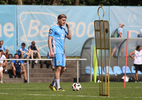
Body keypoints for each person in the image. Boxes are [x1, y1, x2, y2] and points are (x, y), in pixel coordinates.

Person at [48, 14, 71, 91]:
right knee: (58, 68)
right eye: (63, 20)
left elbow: (70, 37)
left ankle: (53, 84)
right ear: (58, 19)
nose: (64, 22)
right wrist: (51, 51)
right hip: (56, 51)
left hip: (62, 52)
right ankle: (58, 87)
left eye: (65, 20)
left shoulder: (63, 29)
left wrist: (68, 28)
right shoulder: (53, 28)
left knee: (63, 69)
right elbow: (49, 39)